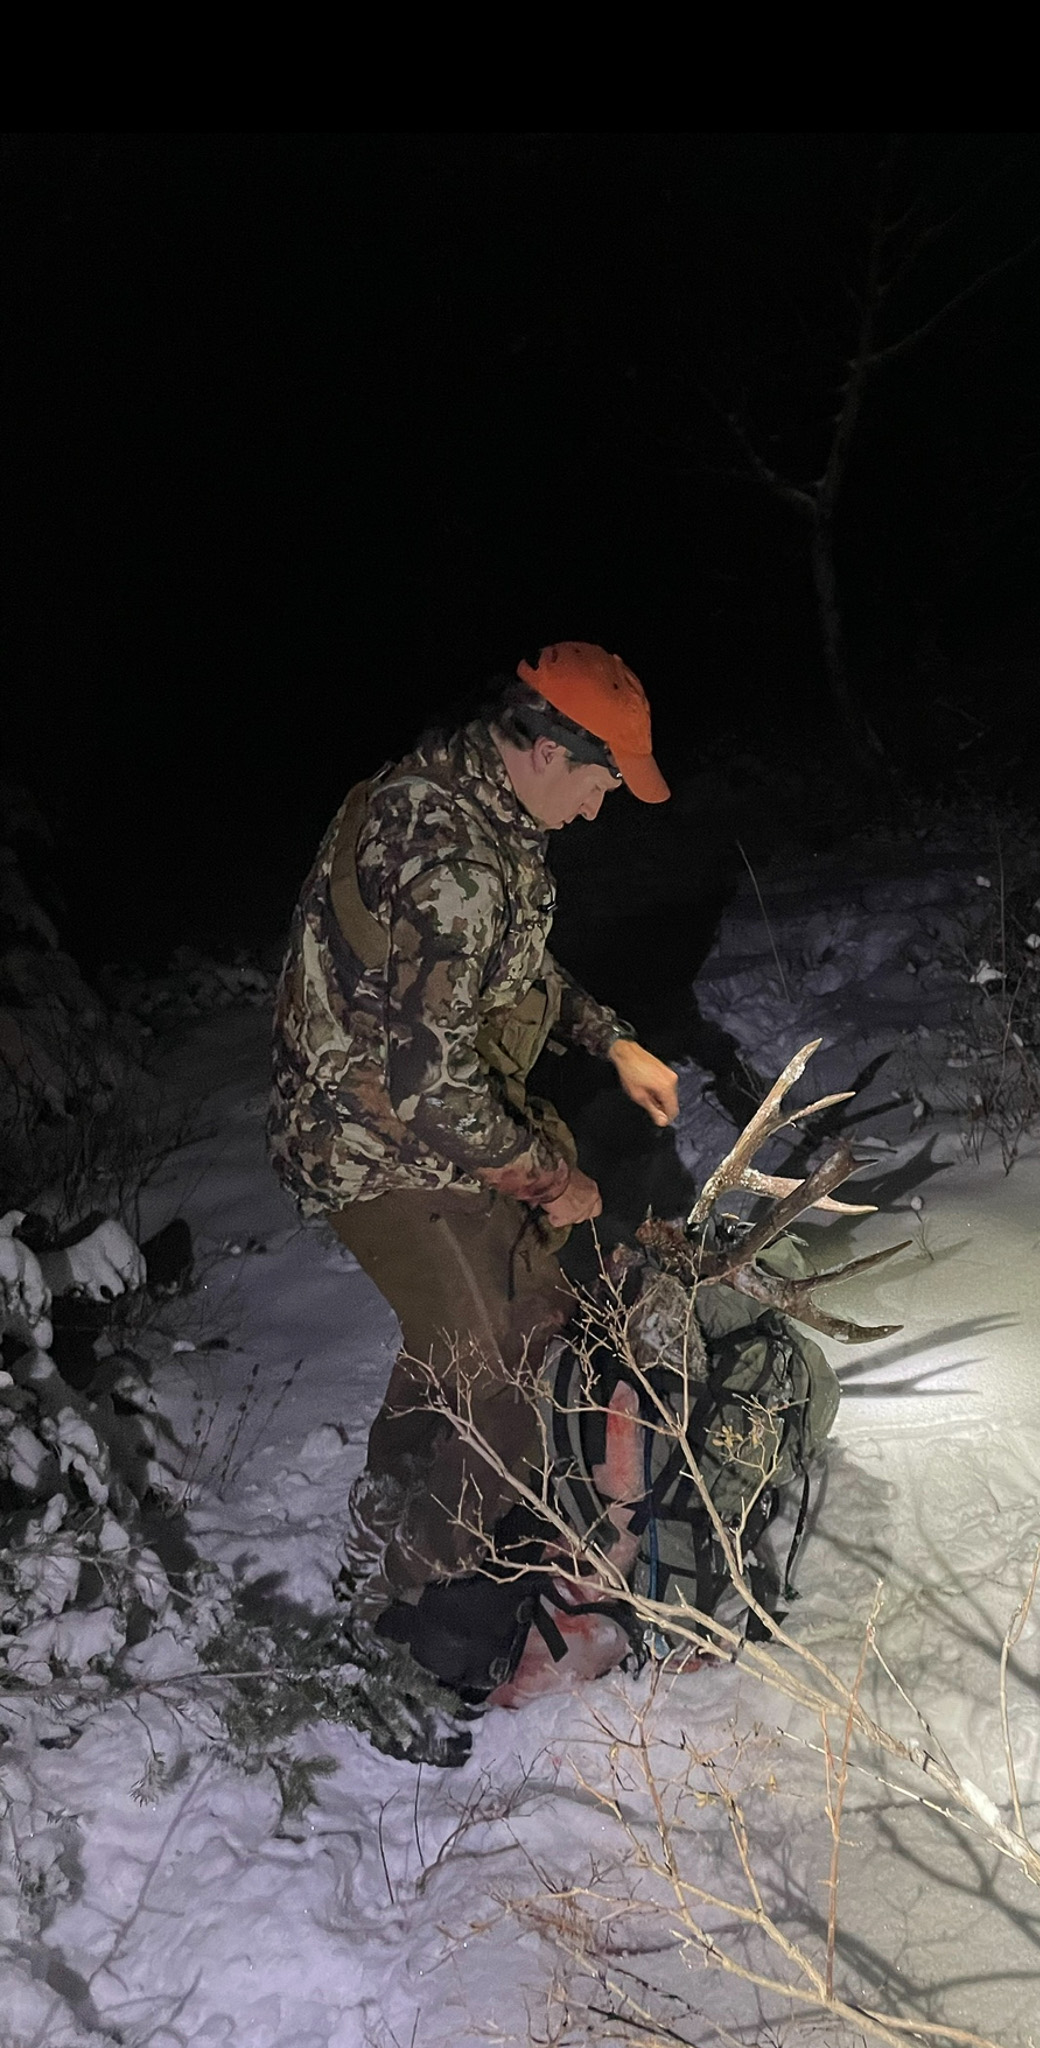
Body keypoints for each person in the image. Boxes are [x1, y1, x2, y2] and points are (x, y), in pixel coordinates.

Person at [267, 642, 680, 1728]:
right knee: (504, 1369)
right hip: (375, 1141)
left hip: (413, 1127)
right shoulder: (448, 845)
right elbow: (428, 1082)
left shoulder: (484, 812)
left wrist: (615, 1040)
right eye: (596, 783)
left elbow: (521, 966)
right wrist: (556, 1182)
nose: (597, 811)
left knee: (463, 1344)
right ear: (546, 749)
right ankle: (409, 1651)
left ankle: (383, 1538)